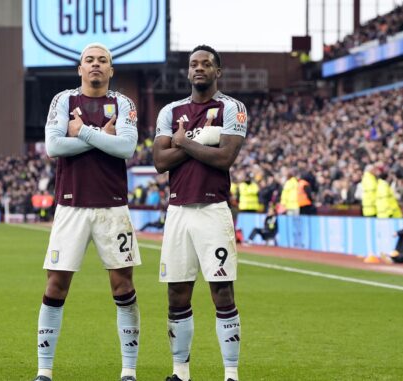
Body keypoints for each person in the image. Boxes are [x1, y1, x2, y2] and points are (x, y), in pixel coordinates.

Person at [34, 43, 141, 381]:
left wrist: (81, 132)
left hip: (113, 207)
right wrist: (99, 137)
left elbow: (125, 147)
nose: (96, 65)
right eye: (89, 60)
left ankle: (129, 370)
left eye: (102, 61)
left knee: (122, 285)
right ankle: (44, 370)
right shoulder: (63, 100)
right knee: (55, 285)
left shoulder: (123, 103)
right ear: (79, 69)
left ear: (111, 70)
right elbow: (54, 146)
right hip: (71, 205)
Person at [153, 45, 246, 381]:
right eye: (194, 64)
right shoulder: (170, 110)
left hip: (212, 209)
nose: (199, 68)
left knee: (222, 290)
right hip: (178, 211)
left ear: (217, 71)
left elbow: (224, 159)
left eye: (206, 64)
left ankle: (231, 373)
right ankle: (180, 372)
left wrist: (183, 141)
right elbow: (160, 162)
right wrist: (203, 139)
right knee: (177, 292)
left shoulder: (232, 108)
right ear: (187, 71)